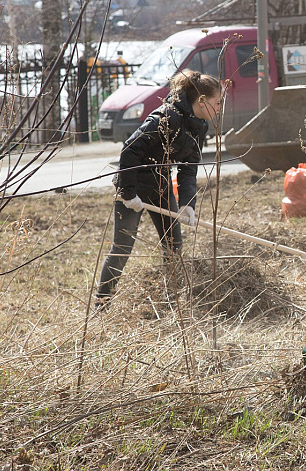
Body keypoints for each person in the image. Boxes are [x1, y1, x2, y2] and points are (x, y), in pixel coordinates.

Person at [95, 70, 223, 309]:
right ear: (202, 100)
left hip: (161, 187)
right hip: (133, 185)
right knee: (122, 247)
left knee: (174, 246)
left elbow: (188, 167)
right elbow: (130, 149)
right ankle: (101, 306)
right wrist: (128, 193)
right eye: (218, 102)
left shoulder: (199, 126)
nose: (220, 108)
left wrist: (187, 204)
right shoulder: (166, 117)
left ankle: (170, 302)